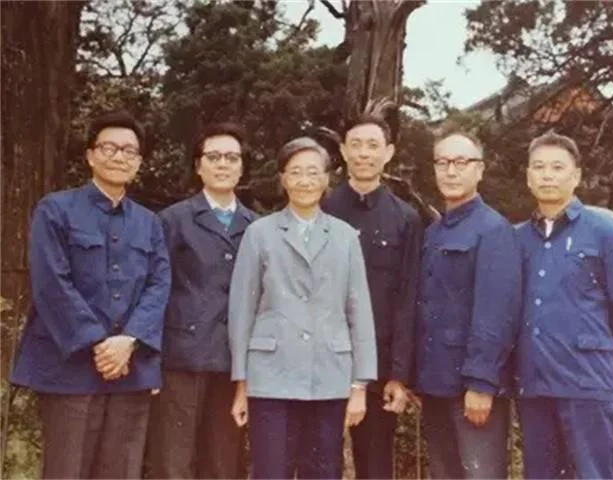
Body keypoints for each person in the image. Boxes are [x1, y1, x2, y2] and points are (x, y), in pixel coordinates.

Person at [10, 111, 171, 479]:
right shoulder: (55, 209)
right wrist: (98, 343)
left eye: (129, 151)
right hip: (69, 367)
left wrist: (129, 340)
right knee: (67, 470)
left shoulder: (149, 223)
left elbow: (159, 285)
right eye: (109, 148)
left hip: (131, 368)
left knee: (121, 471)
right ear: (90, 155)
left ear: (139, 162)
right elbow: (51, 283)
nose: (119, 157)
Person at [228, 137, 377, 479]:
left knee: (324, 471)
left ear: (326, 179)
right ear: (282, 179)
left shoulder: (345, 236)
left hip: (329, 377)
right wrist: (242, 383)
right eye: (295, 172)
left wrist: (359, 385)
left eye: (313, 172)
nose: (305, 181)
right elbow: (241, 312)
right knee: (271, 471)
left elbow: (359, 311)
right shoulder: (259, 233)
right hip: (270, 377)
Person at [515, 131, 613, 479]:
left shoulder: (605, 230)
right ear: (528, 176)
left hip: (587, 381)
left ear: (577, 176)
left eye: (558, 167)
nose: (548, 175)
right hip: (534, 383)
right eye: (539, 167)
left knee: (593, 473)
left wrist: (599, 356)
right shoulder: (517, 238)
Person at [146, 122, 257, 478]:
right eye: (214, 156)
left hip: (233, 362)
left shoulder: (257, 227)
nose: (223, 164)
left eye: (231, 157)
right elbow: (154, 291)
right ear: (198, 165)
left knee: (223, 465)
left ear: (242, 166)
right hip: (182, 358)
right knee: (172, 463)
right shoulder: (172, 220)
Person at [321, 115, 422, 479]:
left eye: (373, 145)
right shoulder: (321, 210)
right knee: (319, 460)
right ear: (343, 151)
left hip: (378, 363)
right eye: (356, 145)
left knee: (375, 465)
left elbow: (408, 299)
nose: (364, 154)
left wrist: (399, 374)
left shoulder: (406, 219)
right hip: (322, 358)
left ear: (389, 152)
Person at [414, 132, 520, 479]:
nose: (451, 171)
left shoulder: (493, 229)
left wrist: (482, 382)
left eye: (461, 162)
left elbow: (496, 313)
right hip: (436, 382)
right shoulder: (434, 232)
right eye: (442, 162)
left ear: (480, 170)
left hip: (471, 387)